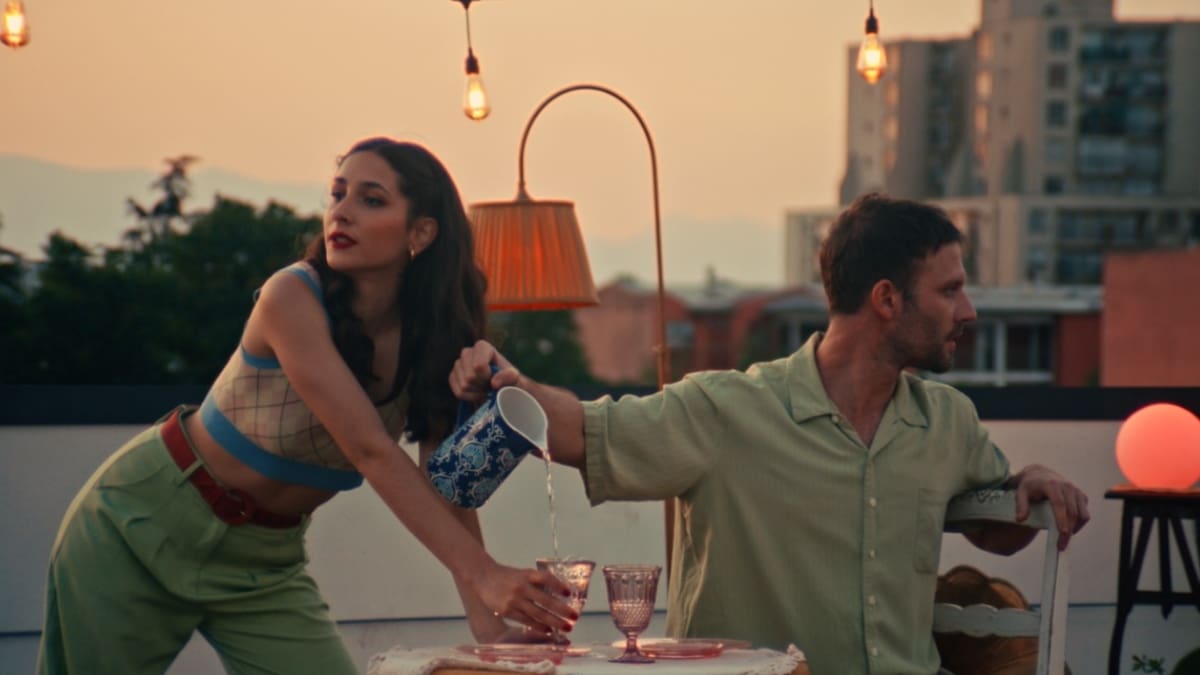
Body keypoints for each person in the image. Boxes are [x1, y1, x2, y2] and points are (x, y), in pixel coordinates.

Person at [449, 193, 1091, 675]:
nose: (968, 311)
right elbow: (584, 433)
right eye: (950, 290)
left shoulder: (947, 420)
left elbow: (995, 527)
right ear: (887, 300)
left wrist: (1031, 479)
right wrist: (509, 382)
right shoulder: (726, 411)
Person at [37, 137, 575, 675]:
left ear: (421, 232)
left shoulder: (432, 336)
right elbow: (370, 450)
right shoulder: (291, 296)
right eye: (338, 194)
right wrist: (485, 573)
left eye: (371, 199)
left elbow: (447, 484)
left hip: (264, 561)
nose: (342, 211)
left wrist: (486, 623)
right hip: (143, 523)